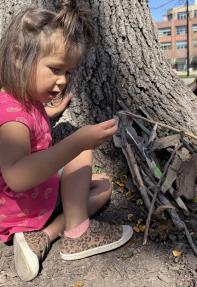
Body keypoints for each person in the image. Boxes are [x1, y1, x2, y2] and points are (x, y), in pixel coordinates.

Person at [0, 2, 133, 282]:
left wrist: (54, 111)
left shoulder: (24, 103)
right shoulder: (10, 116)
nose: (62, 81)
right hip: (22, 201)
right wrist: (78, 142)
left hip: (22, 204)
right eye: (56, 69)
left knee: (103, 184)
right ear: (18, 56)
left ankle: (43, 238)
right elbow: (16, 176)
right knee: (79, 148)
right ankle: (77, 232)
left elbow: (34, 126)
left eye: (68, 73)